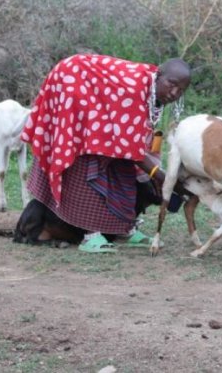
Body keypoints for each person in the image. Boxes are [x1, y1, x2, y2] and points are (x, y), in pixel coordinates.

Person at [19, 53, 191, 253]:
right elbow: (133, 150)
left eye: (181, 90)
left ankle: (124, 229)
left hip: (95, 102)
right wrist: (161, 177)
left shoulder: (151, 92)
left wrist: (156, 172)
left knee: (122, 168)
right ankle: (90, 235)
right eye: (172, 84)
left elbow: (135, 143)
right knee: (88, 163)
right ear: (159, 74)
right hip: (73, 86)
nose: (174, 92)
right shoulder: (135, 90)